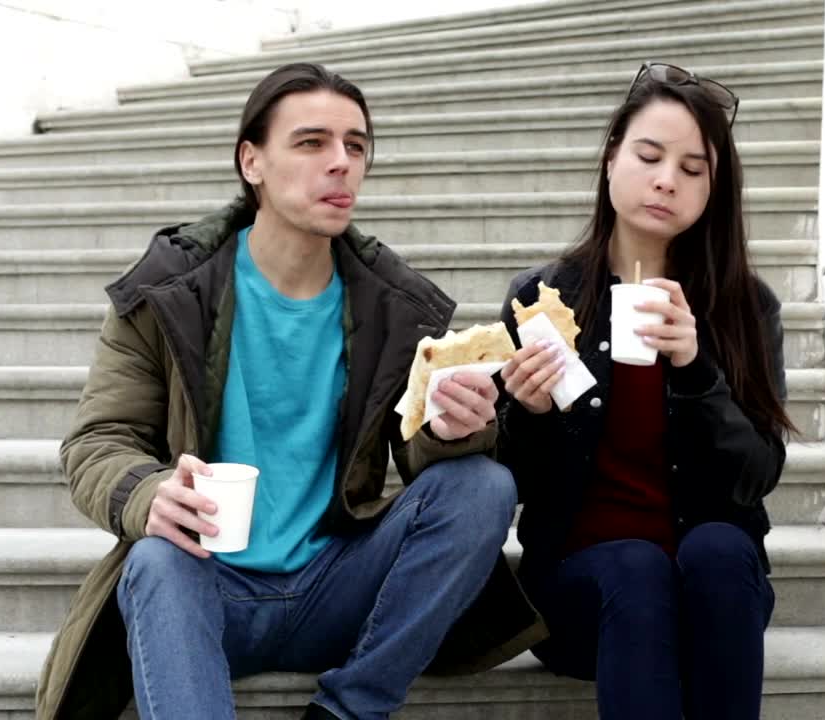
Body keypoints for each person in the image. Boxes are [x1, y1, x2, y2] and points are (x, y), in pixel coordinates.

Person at [34, 62, 544, 720]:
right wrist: (149, 494)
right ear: (252, 161)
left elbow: (419, 451)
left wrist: (449, 430)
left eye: (355, 146)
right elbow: (97, 441)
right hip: (207, 587)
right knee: (157, 560)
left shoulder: (392, 304)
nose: (341, 163)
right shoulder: (166, 293)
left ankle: (349, 709)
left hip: (340, 586)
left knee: (482, 486)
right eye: (311, 143)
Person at [496, 62, 797, 720]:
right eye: (650, 156)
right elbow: (508, 484)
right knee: (635, 567)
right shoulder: (543, 299)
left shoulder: (745, 308)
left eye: (692, 169)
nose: (667, 180)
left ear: (714, 190)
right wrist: (528, 411)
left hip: (711, 596)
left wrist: (695, 371)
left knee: (721, 549)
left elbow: (758, 474)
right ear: (611, 159)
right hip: (584, 591)